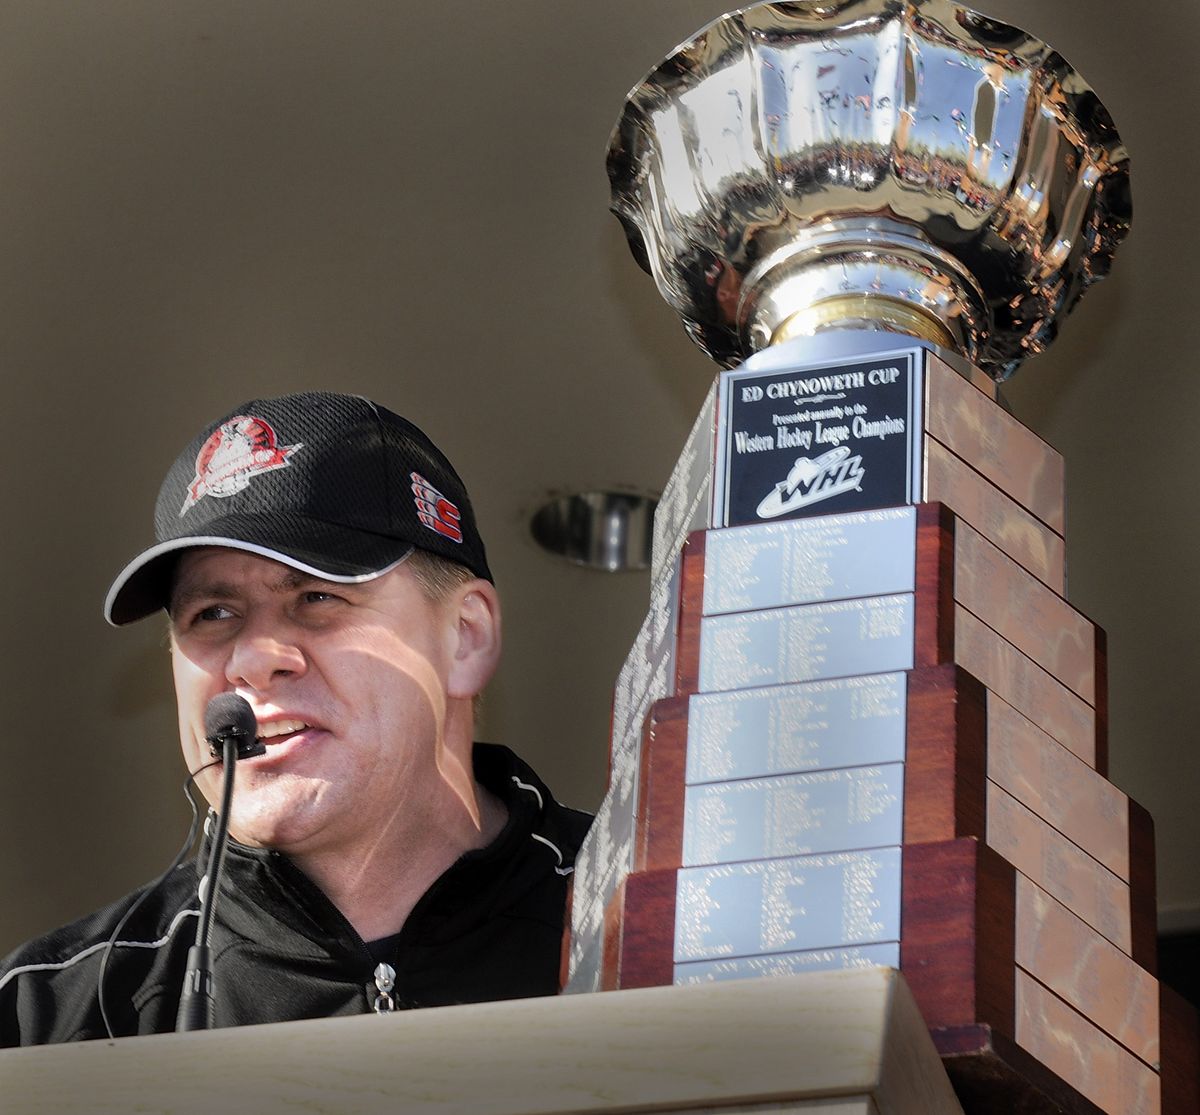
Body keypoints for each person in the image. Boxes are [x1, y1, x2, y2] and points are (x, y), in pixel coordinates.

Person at [0, 391, 591, 1045]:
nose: (253, 658)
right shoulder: (43, 1016)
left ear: (466, 636)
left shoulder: (663, 918)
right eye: (213, 614)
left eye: (317, 595)